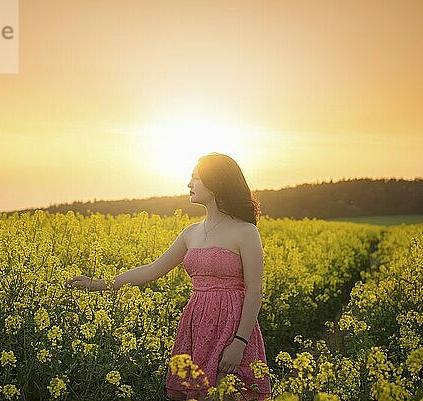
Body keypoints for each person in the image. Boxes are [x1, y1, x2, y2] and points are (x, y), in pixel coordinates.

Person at [65, 152, 272, 401]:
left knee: (227, 395)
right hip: (197, 325)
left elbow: (254, 291)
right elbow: (151, 270)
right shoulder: (191, 233)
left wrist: (239, 342)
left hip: (232, 325)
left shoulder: (245, 232)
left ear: (217, 183)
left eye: (196, 178)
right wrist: (98, 284)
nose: (189, 184)